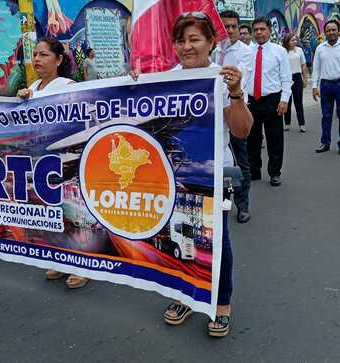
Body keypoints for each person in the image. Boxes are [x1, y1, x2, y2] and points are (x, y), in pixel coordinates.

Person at [145, 11, 252, 338]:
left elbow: (242, 130)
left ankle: (221, 303)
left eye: (194, 39)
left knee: (217, 241)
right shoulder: (166, 79)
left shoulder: (223, 79)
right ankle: (186, 295)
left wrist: (235, 94)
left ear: (210, 42)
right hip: (175, 176)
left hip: (212, 176)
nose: (187, 47)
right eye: (181, 40)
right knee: (179, 237)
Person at [16, 38, 89, 289]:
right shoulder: (33, 87)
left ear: (58, 60)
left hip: (65, 161)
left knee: (73, 212)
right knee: (52, 212)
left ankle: (81, 264)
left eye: (44, 55)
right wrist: (21, 100)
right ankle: (60, 258)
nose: (37, 59)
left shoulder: (68, 86)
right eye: (35, 54)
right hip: (41, 163)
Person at [211, 10, 253, 223]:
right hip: (215, 112)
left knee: (240, 162)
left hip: (235, 109)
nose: (229, 30)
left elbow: (238, 79)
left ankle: (242, 205)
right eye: (224, 26)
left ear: (238, 28)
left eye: (233, 26)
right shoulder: (214, 50)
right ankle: (222, 203)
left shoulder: (245, 52)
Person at [245, 17, 292, 186]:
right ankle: (254, 170)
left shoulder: (279, 51)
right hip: (251, 101)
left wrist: (284, 100)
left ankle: (275, 172)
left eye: (262, 29)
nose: (259, 32)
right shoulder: (247, 52)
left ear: (269, 31)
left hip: (273, 100)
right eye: (256, 29)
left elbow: (286, 78)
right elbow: (244, 78)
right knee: (252, 139)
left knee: (275, 139)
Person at [312, 20, 340, 155]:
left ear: (339, 31)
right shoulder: (320, 48)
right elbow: (316, 68)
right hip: (325, 85)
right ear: (324, 32)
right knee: (326, 116)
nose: (331, 33)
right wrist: (314, 86)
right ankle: (325, 142)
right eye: (328, 30)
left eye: (333, 30)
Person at [281, 32, 308, 132]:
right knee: (286, 101)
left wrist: (305, 79)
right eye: (292, 40)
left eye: (295, 40)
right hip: (286, 78)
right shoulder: (283, 51)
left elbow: (303, 65)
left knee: (298, 102)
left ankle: (302, 124)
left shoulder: (299, 50)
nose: (295, 42)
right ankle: (287, 123)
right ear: (287, 42)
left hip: (297, 77)